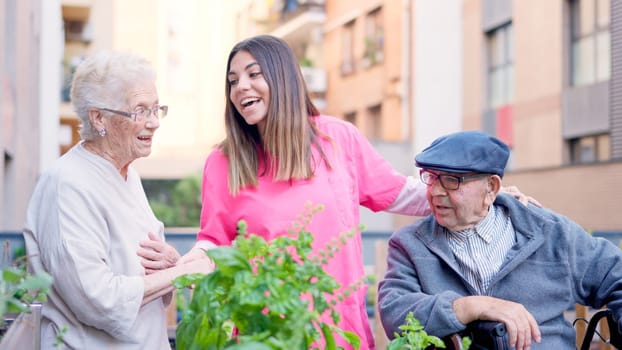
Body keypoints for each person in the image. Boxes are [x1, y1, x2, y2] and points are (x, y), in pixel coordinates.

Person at [177, 35, 533, 350]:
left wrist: (486, 196)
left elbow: (401, 193)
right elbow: (213, 241)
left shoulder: (337, 139)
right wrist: (179, 267)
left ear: (282, 78)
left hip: (336, 329)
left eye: (254, 74)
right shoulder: (223, 162)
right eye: (233, 80)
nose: (241, 87)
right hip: (264, 332)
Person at [14, 51, 211, 349]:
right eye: (140, 111)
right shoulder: (67, 184)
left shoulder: (128, 175)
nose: (154, 122)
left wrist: (171, 264)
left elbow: (141, 271)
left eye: (157, 108)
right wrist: (184, 271)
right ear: (99, 118)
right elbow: (96, 299)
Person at [377, 130, 622, 350]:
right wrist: (470, 307)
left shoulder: (551, 233)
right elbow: (395, 313)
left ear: (492, 188)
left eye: (452, 180)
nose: (435, 191)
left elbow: (615, 275)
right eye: (431, 177)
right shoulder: (409, 244)